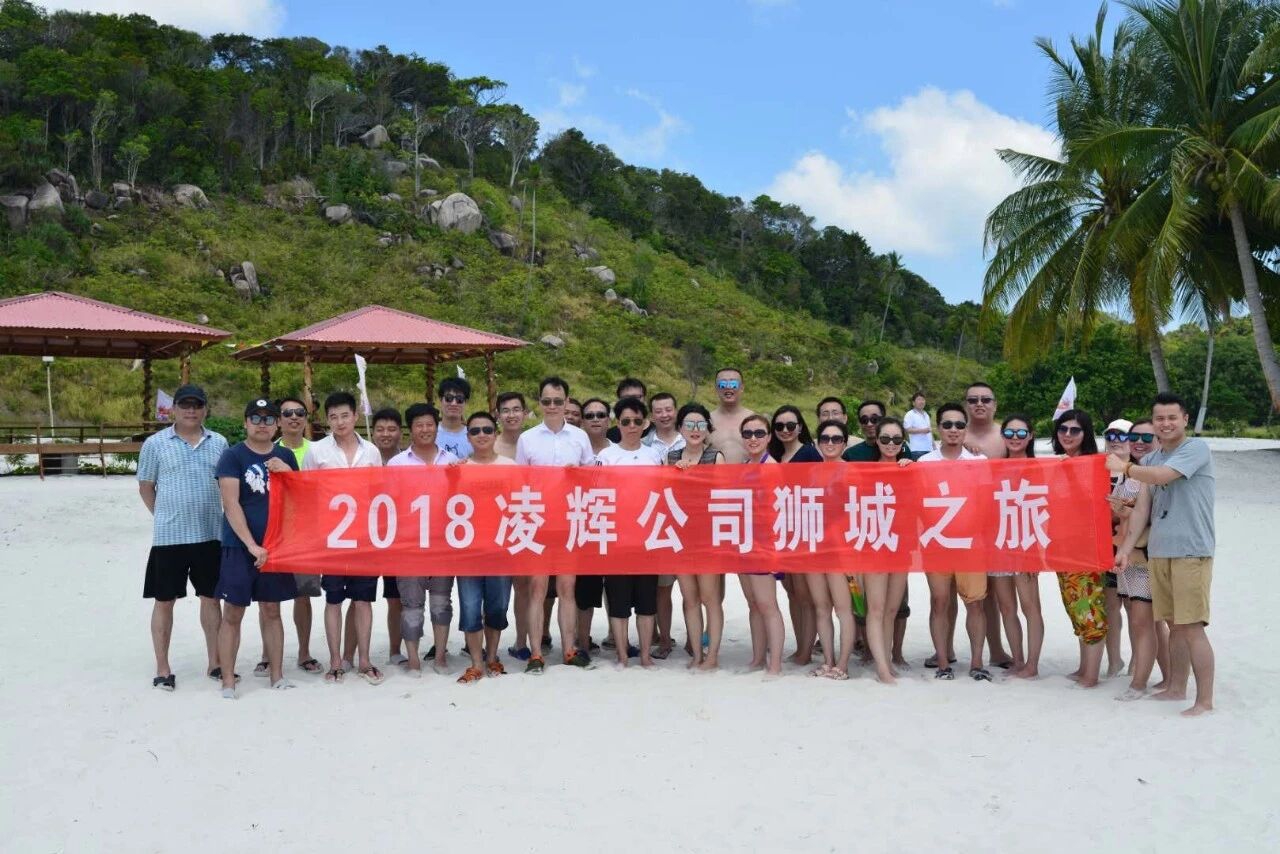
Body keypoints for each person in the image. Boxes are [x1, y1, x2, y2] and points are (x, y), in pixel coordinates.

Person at [1111, 393, 1216, 716]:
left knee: (1192, 626)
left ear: (1185, 419)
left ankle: (1204, 701)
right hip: (1159, 552)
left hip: (1191, 550)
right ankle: (1176, 688)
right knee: (1174, 624)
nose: (1165, 423)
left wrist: (1125, 467)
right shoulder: (1150, 461)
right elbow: (1142, 509)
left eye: (1172, 417)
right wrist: (1125, 550)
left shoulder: (1195, 449)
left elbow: (1163, 476)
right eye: (1159, 418)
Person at [137, 384, 229, 691]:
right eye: (185, 405)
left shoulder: (219, 442)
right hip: (169, 537)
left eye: (197, 405)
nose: (191, 410)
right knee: (164, 601)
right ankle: (163, 668)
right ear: (174, 409)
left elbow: (227, 485)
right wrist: (163, 515)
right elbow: (146, 486)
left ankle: (215, 662)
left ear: (205, 409)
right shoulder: (155, 443)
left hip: (210, 533)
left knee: (211, 599)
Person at [213, 399, 299, 698]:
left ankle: (277, 675)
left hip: (275, 546)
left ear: (277, 424)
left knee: (272, 610)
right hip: (239, 546)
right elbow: (230, 503)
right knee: (233, 612)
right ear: (245, 422)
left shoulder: (285, 454)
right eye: (256, 418)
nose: (262, 424)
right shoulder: (233, 455)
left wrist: (288, 472)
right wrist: (251, 544)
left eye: (269, 419)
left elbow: (299, 498)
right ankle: (228, 680)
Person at [302, 391, 385, 685]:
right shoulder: (317, 451)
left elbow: (380, 493)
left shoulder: (371, 452)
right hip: (331, 538)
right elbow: (306, 492)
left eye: (345, 415)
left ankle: (364, 660)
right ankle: (335, 661)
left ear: (355, 416)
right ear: (327, 420)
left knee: (363, 600)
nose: (340, 422)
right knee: (334, 599)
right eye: (333, 417)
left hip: (364, 537)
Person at [515, 376, 595, 672]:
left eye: (557, 401)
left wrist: (579, 475)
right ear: (539, 403)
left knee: (567, 588)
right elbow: (520, 482)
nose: (552, 406)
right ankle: (536, 653)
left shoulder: (580, 436)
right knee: (537, 587)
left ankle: (570, 650)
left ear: (567, 402)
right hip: (537, 521)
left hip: (570, 519)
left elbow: (593, 478)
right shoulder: (527, 438)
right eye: (546, 401)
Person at [918, 403, 992, 681]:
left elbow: (987, 502)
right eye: (947, 424)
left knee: (975, 604)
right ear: (938, 428)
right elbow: (916, 503)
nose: (953, 430)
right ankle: (942, 663)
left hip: (971, 545)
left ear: (966, 429)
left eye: (959, 425)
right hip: (936, 544)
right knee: (939, 602)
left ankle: (977, 663)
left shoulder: (979, 461)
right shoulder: (924, 463)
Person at [250, 395, 322, 677]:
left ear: (306, 418)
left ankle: (304, 653)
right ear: (277, 420)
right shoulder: (265, 449)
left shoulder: (317, 451)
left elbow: (320, 493)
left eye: (300, 413)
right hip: (272, 534)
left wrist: (292, 474)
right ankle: (267, 654)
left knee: (303, 596)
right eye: (287, 413)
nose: (294, 417)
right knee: (268, 599)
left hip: (305, 534)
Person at [386, 403, 459, 676]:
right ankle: (414, 659)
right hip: (409, 545)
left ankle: (440, 657)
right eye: (419, 425)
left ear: (437, 426)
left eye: (430, 424)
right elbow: (388, 503)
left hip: (443, 543)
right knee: (411, 605)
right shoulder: (397, 463)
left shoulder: (451, 461)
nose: (425, 429)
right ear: (411, 429)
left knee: (441, 602)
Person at [596, 397, 665, 667]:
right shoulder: (606, 456)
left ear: (645, 423)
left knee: (647, 600)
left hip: (648, 536)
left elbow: (665, 490)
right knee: (619, 600)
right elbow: (597, 493)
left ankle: (646, 654)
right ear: (618, 424)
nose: (632, 426)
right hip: (617, 537)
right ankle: (623, 654)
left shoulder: (654, 455)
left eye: (637, 421)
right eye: (626, 421)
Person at [855, 416, 917, 683]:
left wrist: (913, 469)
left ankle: (888, 662)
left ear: (903, 442)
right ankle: (881, 667)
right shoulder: (866, 471)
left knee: (892, 610)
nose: (890, 444)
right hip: (875, 545)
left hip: (902, 545)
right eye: (885, 439)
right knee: (876, 609)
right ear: (876, 440)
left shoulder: (910, 469)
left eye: (896, 439)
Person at [1106, 417, 1163, 700]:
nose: (1139, 442)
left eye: (1146, 438)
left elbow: (1152, 515)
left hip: (1145, 556)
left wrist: (1126, 512)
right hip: (1128, 554)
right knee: (1148, 623)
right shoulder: (1132, 473)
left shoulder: (1155, 473)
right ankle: (1167, 677)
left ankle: (1140, 682)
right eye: (1134, 437)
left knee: (1144, 622)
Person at [456, 411, 516, 683]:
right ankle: (476, 662)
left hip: (500, 549)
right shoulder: (459, 469)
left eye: (487, 430)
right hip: (468, 551)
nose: (482, 435)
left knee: (498, 606)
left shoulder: (510, 466)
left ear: (496, 433)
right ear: (468, 436)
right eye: (475, 431)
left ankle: (492, 657)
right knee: (470, 606)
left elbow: (523, 503)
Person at [1052, 408, 1107, 688]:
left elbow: (1090, 502)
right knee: (1074, 606)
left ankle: (1091, 675)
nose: (1068, 434)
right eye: (1063, 429)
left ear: (1086, 434)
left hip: (1086, 550)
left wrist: (1070, 471)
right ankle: (1084, 667)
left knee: (1089, 608)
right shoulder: (1059, 463)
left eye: (1075, 430)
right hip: (1063, 548)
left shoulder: (1093, 463)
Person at [962, 382, 1015, 670]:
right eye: (973, 400)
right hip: (964, 524)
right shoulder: (956, 433)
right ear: (966, 404)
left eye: (985, 399)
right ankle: (945, 652)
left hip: (999, 522)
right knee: (968, 594)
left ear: (995, 404)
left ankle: (997, 649)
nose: (979, 404)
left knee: (997, 592)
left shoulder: (1005, 436)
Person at [668, 402, 725, 669]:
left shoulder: (715, 457)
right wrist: (676, 476)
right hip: (680, 537)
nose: (695, 429)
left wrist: (695, 476)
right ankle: (697, 655)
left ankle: (712, 655)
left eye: (700, 424)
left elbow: (723, 497)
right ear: (680, 428)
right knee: (689, 598)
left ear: (707, 428)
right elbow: (664, 496)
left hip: (708, 536)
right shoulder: (671, 458)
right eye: (689, 424)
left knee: (709, 598)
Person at [803, 419, 858, 679]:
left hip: (841, 549)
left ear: (844, 443)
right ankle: (828, 660)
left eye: (836, 439)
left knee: (843, 609)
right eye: (825, 438)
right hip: (814, 547)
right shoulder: (811, 473)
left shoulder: (852, 472)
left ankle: (843, 664)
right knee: (821, 607)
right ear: (817, 443)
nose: (830, 443)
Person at [735, 413, 786, 676]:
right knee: (753, 604)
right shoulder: (744, 465)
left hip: (764, 544)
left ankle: (775, 664)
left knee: (768, 605)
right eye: (747, 434)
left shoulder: (772, 467)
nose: (753, 439)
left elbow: (778, 511)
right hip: (744, 542)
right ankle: (757, 658)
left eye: (758, 433)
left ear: (768, 437)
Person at [996, 415, 1046, 680]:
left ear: (1030, 435)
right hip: (998, 543)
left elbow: (1046, 510)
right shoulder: (994, 466)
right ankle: (1017, 660)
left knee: (1030, 607)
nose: (1015, 438)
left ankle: (1032, 663)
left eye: (1021, 433)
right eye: (1009, 433)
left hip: (1026, 544)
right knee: (1006, 607)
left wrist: (1037, 551)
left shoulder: (1039, 467)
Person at [359, 407, 405, 668]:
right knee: (359, 598)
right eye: (380, 429)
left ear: (400, 432)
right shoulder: (363, 458)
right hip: (364, 538)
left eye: (391, 429)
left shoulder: (407, 461)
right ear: (373, 432)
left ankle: (395, 650)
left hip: (397, 540)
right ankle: (351, 654)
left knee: (395, 598)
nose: (386, 434)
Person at [646, 392, 684, 660]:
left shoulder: (692, 437)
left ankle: (696, 638)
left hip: (690, 521)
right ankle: (665, 639)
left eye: (668, 409)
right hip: (659, 522)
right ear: (651, 415)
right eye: (658, 411)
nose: (664, 415)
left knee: (696, 589)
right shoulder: (645, 445)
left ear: (676, 410)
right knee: (663, 587)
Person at [1100, 418, 1132, 678]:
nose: (1115, 441)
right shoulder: (1096, 468)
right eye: (1110, 435)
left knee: (1137, 609)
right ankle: (1114, 661)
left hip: (1133, 548)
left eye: (1122, 435)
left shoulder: (1139, 471)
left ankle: (1138, 663)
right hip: (1104, 549)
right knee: (1111, 608)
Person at [709, 367, 755, 463]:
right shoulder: (707, 420)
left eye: (733, 384)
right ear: (716, 388)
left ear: (742, 387)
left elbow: (765, 454)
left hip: (749, 472)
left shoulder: (754, 419)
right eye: (722, 384)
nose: (728, 387)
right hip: (714, 472)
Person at [435, 376, 474, 460]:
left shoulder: (474, 435)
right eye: (448, 398)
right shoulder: (429, 432)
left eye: (459, 399)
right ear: (440, 400)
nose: (454, 403)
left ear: (466, 402)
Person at [605, 377, 652, 442]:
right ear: (619, 400)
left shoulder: (658, 431)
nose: (631, 401)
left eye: (636, 397)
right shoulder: (610, 436)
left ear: (645, 398)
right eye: (626, 398)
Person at [494, 391, 527, 460]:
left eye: (516, 410)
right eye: (505, 411)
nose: (511, 415)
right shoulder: (490, 447)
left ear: (524, 413)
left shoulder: (533, 444)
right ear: (498, 415)